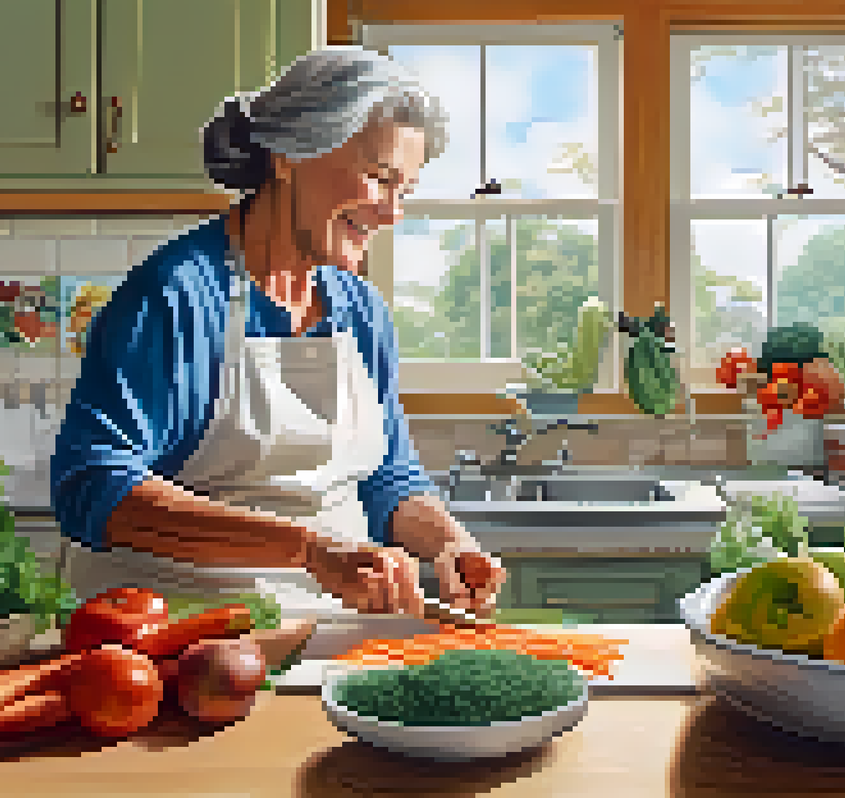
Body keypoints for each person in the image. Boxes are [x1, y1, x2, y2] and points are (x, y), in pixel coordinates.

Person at [50, 48, 507, 621]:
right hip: (168, 638)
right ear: (289, 156)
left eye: (405, 190)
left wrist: (449, 542)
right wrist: (309, 550)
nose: (393, 214)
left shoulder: (361, 312)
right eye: (379, 178)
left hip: (326, 629)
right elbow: (93, 487)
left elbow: (389, 476)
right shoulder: (176, 295)